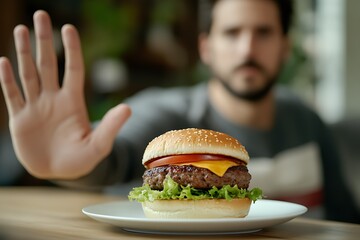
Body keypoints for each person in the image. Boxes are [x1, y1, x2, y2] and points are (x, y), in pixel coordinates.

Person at [0, 0, 358, 223]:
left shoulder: (306, 120)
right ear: (206, 47)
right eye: (232, 33)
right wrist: (72, 167)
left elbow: (346, 218)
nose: (247, 47)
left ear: (284, 46)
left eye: (263, 32)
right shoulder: (165, 113)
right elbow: (115, 157)